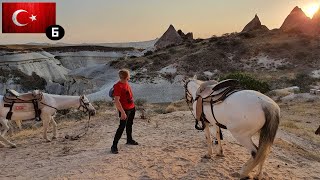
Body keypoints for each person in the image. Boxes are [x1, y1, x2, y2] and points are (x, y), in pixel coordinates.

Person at [111, 69, 138, 154]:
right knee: (121, 127)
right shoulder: (118, 86)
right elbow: (116, 101)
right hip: (125, 110)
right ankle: (114, 146)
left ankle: (129, 140)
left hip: (132, 107)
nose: (130, 76)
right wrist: (122, 112)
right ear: (127, 76)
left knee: (130, 124)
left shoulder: (126, 83)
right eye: (129, 74)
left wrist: (133, 106)